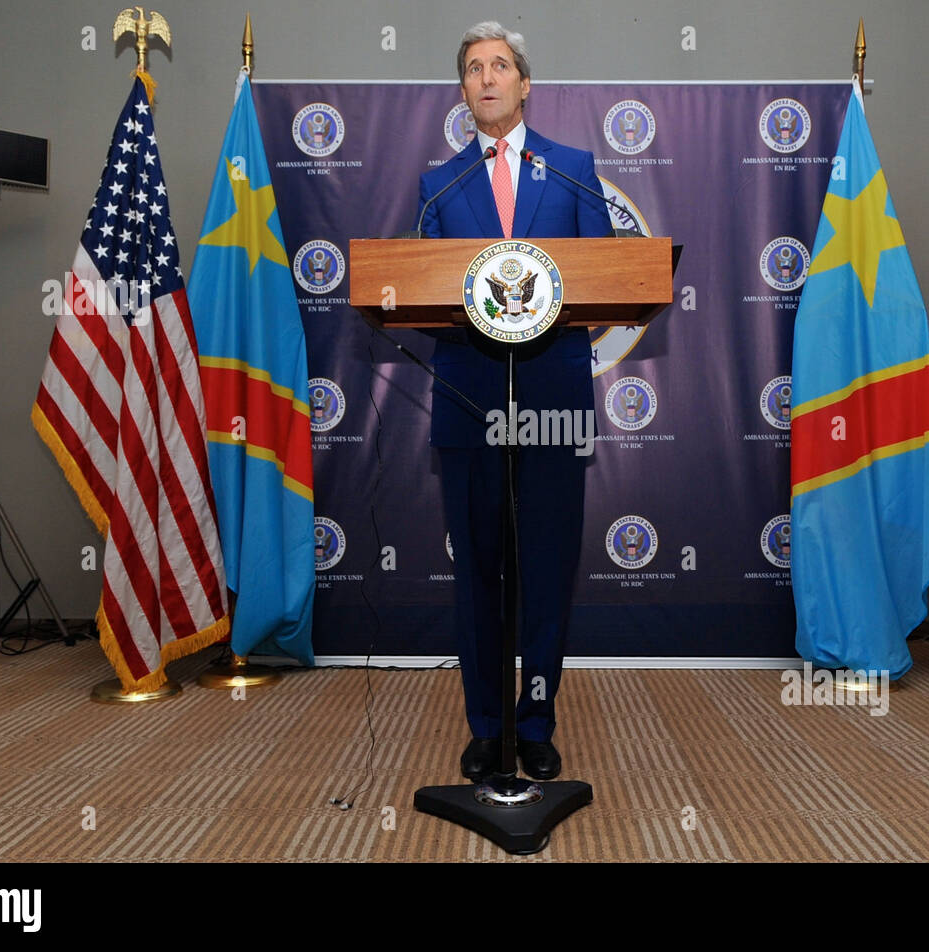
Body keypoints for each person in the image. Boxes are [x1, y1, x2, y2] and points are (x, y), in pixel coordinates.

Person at [415, 21, 610, 782]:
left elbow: (599, 284)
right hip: (468, 400)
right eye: (473, 68)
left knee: (548, 567)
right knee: (480, 573)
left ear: (525, 84)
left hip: (553, 400)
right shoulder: (442, 184)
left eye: (500, 66)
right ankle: (486, 724)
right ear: (463, 91)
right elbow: (423, 292)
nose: (488, 78)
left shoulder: (571, 171)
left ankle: (534, 721)